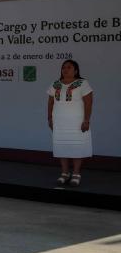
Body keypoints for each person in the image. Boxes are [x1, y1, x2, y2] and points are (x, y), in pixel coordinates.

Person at [48, 59, 93, 187]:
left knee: (76, 147)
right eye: (63, 67)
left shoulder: (82, 83)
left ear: (76, 70)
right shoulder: (55, 84)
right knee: (62, 147)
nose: (65, 69)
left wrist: (86, 120)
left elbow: (89, 102)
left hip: (77, 122)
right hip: (60, 122)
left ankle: (76, 173)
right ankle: (64, 173)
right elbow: (50, 102)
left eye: (69, 67)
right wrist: (49, 118)